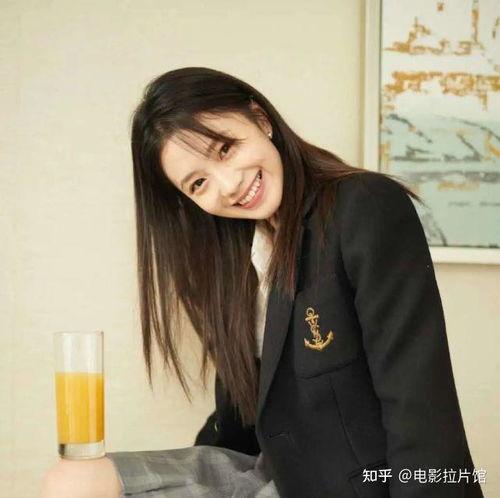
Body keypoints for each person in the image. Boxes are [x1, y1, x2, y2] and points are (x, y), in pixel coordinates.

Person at [40, 67, 483, 497]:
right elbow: (239, 423)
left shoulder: (363, 207)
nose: (228, 185)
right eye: (199, 183)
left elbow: (420, 406)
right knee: (72, 482)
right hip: (270, 474)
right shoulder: (233, 259)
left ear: (260, 118)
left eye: (225, 149)